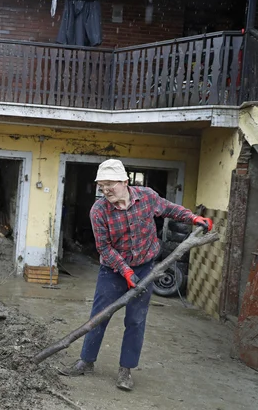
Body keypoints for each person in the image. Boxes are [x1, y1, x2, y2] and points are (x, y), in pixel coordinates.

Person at [59, 159, 213, 391]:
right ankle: (86, 361)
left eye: (110, 184)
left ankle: (125, 370)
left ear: (125, 181)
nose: (105, 190)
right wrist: (125, 271)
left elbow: (169, 208)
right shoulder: (99, 210)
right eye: (102, 186)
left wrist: (192, 218)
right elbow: (104, 248)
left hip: (145, 267)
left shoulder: (147, 197)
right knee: (99, 316)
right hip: (112, 271)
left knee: (136, 320)